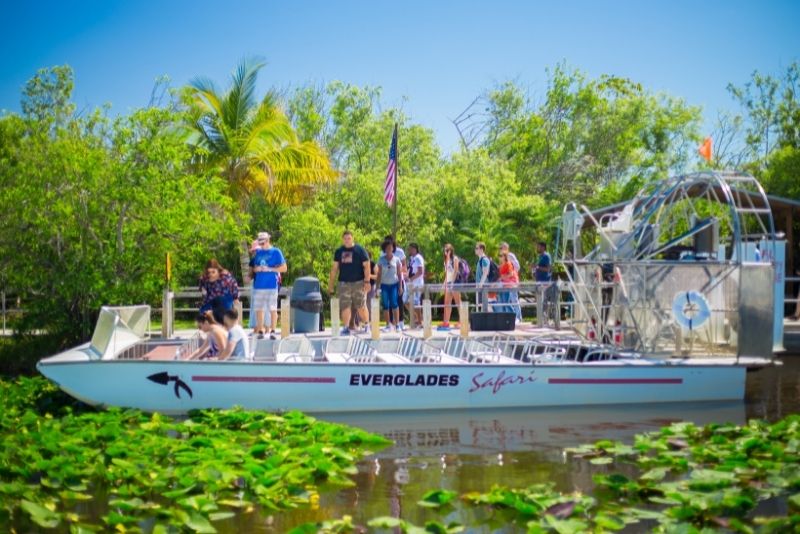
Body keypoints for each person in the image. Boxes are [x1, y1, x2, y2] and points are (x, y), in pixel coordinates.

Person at [329, 230, 371, 335]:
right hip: (344, 283)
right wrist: (330, 285)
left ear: (352, 238)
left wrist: (367, 281)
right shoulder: (339, 251)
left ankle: (366, 325)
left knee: (361, 305)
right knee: (345, 306)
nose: (347, 240)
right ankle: (346, 327)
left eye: (349, 238)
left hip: (358, 282)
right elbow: (334, 269)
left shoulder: (360, 250)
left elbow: (367, 266)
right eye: (345, 239)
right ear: (342, 240)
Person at [249, 232, 287, 339]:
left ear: (268, 240)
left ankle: (273, 330)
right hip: (258, 286)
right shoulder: (258, 253)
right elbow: (254, 268)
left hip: (271, 285)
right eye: (260, 242)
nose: (261, 245)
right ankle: (260, 330)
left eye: (263, 242)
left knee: (272, 308)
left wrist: (271, 269)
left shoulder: (276, 252)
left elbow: (284, 268)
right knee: (259, 309)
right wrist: (258, 269)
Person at [199, 259, 240, 325]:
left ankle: (226, 324)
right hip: (211, 298)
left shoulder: (225, 276)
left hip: (225, 297)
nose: (211, 274)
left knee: (222, 306)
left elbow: (234, 285)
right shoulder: (205, 278)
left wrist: (236, 297)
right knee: (203, 311)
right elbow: (202, 290)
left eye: (213, 272)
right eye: (209, 272)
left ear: (218, 270)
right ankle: (207, 328)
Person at [376, 240, 403, 331]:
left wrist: (400, 286)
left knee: (394, 303)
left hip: (394, 284)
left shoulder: (397, 259)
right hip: (384, 284)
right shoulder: (381, 260)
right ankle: (388, 325)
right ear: (384, 249)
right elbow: (379, 274)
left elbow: (399, 274)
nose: (389, 249)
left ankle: (397, 324)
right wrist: (377, 287)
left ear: (393, 248)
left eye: (391, 247)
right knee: (385, 305)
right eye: (387, 247)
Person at [440, 243, 463, 330]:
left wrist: (452, 282)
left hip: (455, 282)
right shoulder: (446, 260)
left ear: (451, 250)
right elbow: (447, 273)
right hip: (448, 283)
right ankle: (446, 321)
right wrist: (444, 283)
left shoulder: (455, 258)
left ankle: (462, 321)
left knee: (458, 302)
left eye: (448, 250)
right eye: (445, 250)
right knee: (447, 303)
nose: (446, 252)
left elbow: (456, 271)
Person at [499, 242, 522, 322]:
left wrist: (511, 274)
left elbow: (517, 267)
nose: (500, 249)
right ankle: (511, 317)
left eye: (502, 248)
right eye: (500, 248)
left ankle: (518, 317)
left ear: (506, 248)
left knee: (514, 299)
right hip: (506, 282)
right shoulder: (502, 257)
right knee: (507, 300)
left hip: (512, 281)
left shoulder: (510, 256)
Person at [406, 243, 425, 327]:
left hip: (417, 283)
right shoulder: (411, 258)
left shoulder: (418, 258)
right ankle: (416, 318)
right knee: (405, 301)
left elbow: (420, 271)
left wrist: (411, 279)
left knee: (416, 302)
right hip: (411, 284)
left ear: (415, 249)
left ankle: (420, 322)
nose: (409, 250)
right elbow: (409, 269)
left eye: (410, 249)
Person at [475, 242, 492, 312]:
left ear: (481, 250)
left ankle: (488, 321)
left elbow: (485, 273)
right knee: (482, 305)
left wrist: (480, 284)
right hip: (481, 286)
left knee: (486, 305)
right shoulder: (480, 260)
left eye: (476, 248)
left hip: (484, 286)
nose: (475, 250)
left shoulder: (484, 259)